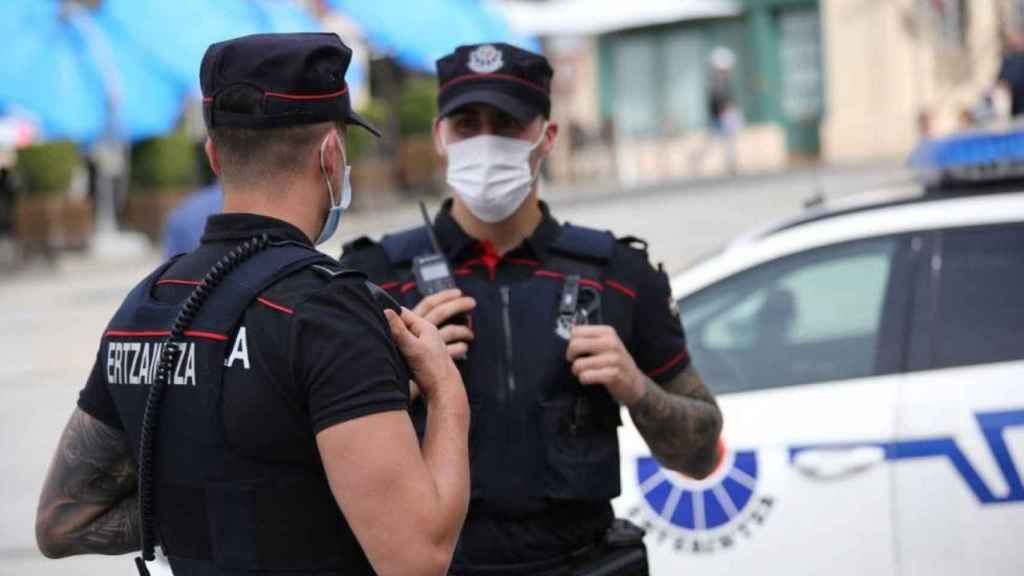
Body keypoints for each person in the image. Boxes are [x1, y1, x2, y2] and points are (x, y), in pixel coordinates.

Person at [35, 33, 470, 576]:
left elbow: (62, 522)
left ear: (215, 155)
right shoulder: (328, 310)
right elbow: (417, 560)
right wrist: (446, 392)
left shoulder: (147, 303)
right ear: (332, 154)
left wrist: (211, 508)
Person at [341, 43, 723, 576]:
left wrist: (635, 385)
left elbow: (701, 455)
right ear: (440, 137)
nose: (486, 141)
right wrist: (398, 383)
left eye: (507, 123)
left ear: (546, 138)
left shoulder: (618, 273)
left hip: (580, 561)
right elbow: (317, 467)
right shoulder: (377, 278)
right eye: (467, 123)